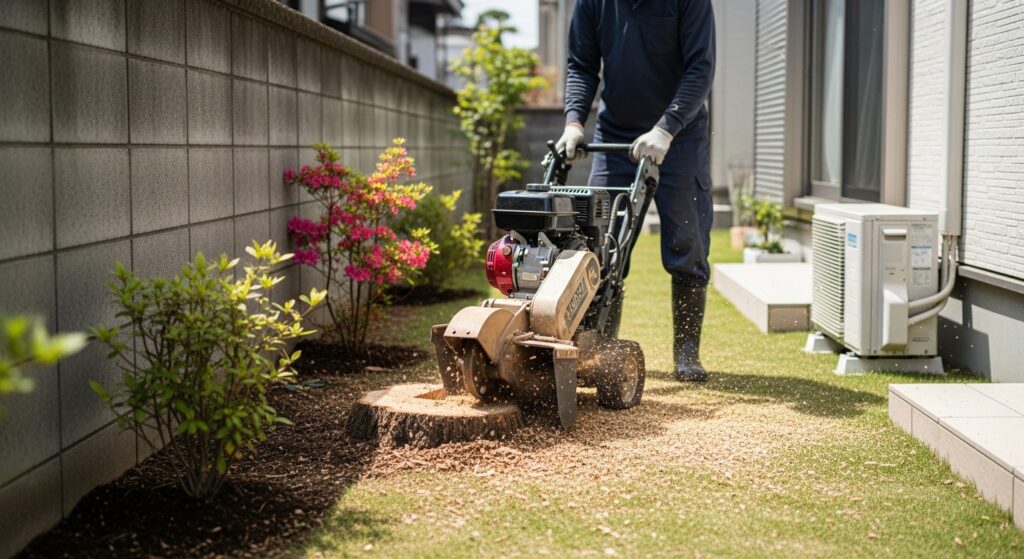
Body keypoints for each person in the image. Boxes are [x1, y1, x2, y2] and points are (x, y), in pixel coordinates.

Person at [556, 0, 716, 382]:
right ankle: (599, 351)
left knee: (687, 244)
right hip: (616, 137)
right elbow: (581, 64)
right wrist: (574, 121)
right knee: (600, 246)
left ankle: (687, 353)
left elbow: (700, 67)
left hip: (680, 137)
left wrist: (666, 128)